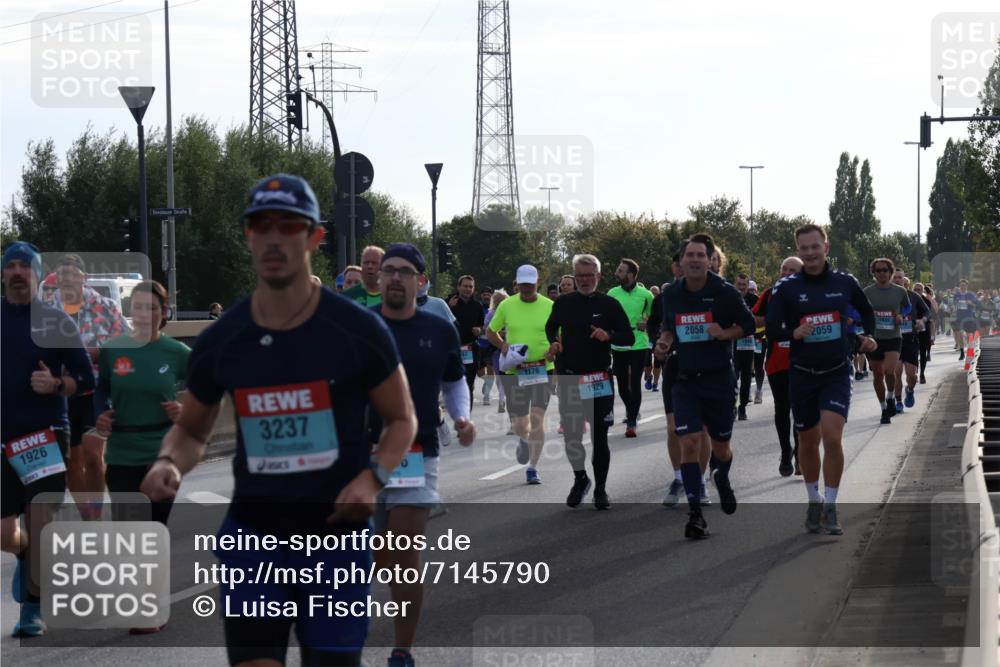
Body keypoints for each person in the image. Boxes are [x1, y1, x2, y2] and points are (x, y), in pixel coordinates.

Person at [140, 174, 417, 666]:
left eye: (288, 226)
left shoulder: (358, 330)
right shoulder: (225, 338)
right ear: (248, 236)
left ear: (314, 237)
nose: (273, 238)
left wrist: (373, 478)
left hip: (335, 540)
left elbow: (401, 419)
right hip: (255, 538)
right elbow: (192, 430)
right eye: (261, 225)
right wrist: (168, 462)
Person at [373, 244, 476, 667]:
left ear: (420, 281)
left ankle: (401, 650)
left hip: (417, 450)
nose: (396, 277)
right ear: (379, 278)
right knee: (370, 556)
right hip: (361, 452)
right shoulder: (359, 328)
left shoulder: (439, 329)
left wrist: (462, 417)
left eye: (405, 271)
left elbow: (454, 381)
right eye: (389, 270)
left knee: (404, 550)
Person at [2, 241, 94, 637]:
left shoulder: (57, 321)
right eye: (11, 266)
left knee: (40, 524)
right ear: (3, 274)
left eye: (25, 267)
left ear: (38, 275)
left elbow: (85, 380)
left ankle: (32, 611)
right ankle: (27, 556)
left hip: (45, 437)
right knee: (6, 533)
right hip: (2, 438)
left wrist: (56, 384)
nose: (17, 273)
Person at [766, 224, 877, 535]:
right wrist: (793, 332)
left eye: (815, 247)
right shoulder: (786, 288)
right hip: (802, 373)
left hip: (836, 371)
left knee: (831, 436)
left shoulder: (845, 282)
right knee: (808, 441)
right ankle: (813, 499)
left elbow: (867, 313)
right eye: (804, 248)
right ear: (798, 251)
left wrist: (866, 336)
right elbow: (771, 328)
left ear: (826, 248)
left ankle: (831, 504)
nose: (810, 253)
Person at [95, 280, 188, 634]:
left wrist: (184, 409)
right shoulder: (113, 350)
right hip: (121, 450)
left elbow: (207, 390)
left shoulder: (177, 352)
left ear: (163, 313)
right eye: (138, 307)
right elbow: (102, 389)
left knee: (153, 532)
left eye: (152, 307)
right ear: (129, 312)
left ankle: (150, 607)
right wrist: (101, 415)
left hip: (162, 451)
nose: (145, 314)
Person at [655, 233, 755, 539]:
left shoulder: (724, 292)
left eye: (701, 255)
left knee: (721, 447)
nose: (695, 260)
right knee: (689, 442)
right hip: (685, 379)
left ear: (710, 260)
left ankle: (721, 476)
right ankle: (695, 513)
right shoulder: (672, 293)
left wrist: (724, 333)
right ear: (682, 261)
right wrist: (663, 343)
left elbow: (749, 325)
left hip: (719, 379)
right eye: (690, 255)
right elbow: (669, 328)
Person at [545, 254, 632, 510]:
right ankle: (580, 478)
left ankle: (601, 490)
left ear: (598, 276)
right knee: (572, 437)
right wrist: (554, 342)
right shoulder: (563, 303)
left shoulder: (610, 304)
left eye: (589, 275)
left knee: (599, 437)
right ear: (574, 277)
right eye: (580, 275)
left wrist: (609, 335)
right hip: (570, 376)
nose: (584, 280)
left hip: (598, 377)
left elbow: (627, 336)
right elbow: (550, 327)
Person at [45, 253, 128, 518]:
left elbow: (126, 344)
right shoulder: (46, 311)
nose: (67, 279)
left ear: (84, 278)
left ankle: (95, 513)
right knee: (71, 464)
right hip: (62, 394)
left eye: (73, 274)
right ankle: (89, 515)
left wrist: (99, 353)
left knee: (93, 456)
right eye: (62, 275)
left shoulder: (106, 306)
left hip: (95, 391)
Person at [486, 265, 554, 484]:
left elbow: (561, 334)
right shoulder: (507, 305)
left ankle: (532, 468)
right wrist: (502, 345)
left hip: (543, 369)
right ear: (516, 284)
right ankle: (523, 440)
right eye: (523, 284)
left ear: (537, 283)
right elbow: (490, 331)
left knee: (537, 419)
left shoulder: (550, 305)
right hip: (515, 371)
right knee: (520, 424)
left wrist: (555, 348)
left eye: (530, 284)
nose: (526, 288)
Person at [654, 256, 713, 507]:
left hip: (707, 367)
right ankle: (679, 478)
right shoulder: (667, 297)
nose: (684, 268)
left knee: (702, 430)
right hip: (676, 366)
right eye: (680, 264)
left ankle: (699, 480)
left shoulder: (715, 293)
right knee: (673, 428)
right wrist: (661, 344)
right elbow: (658, 327)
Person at [751, 257, 804, 476]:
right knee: (782, 409)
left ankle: (800, 454)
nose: (786, 273)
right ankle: (785, 452)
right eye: (784, 269)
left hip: (803, 361)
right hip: (776, 361)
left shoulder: (809, 294)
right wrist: (769, 319)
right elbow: (755, 319)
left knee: (800, 409)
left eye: (792, 270)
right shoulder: (769, 294)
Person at [608, 259, 654, 437]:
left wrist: (648, 323)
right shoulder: (612, 293)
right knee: (622, 386)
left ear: (631, 275)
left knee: (635, 383)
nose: (617, 273)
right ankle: (632, 408)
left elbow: (654, 317)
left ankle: (632, 421)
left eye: (621, 271)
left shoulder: (646, 295)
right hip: (618, 342)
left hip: (638, 342)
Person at [863, 258, 910, 425]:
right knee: (877, 374)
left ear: (890, 272)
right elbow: (859, 309)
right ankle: (884, 408)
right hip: (874, 338)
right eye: (878, 270)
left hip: (893, 336)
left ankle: (891, 396)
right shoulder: (867, 292)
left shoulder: (900, 291)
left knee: (889, 370)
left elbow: (907, 307)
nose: (882, 273)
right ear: (874, 273)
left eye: (885, 270)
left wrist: (901, 315)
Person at [891, 271, 929, 411]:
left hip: (910, 339)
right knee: (897, 373)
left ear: (904, 280)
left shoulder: (913, 296)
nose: (897, 279)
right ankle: (898, 402)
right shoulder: (887, 296)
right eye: (894, 277)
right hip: (894, 339)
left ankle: (910, 390)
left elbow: (927, 311)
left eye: (899, 277)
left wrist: (922, 320)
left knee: (912, 376)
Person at [448, 275, 485, 412]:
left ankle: (466, 416)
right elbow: (440, 322)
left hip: (470, 349)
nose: (468, 289)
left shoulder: (477, 306)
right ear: (458, 287)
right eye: (465, 286)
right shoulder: (448, 303)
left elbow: (482, 326)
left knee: (468, 384)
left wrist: (479, 330)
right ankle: (455, 412)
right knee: (453, 384)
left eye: (470, 287)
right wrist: (449, 308)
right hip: (452, 349)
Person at [732, 274, 759, 421]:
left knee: (746, 377)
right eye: (739, 284)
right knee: (733, 376)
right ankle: (732, 406)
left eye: (744, 285)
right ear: (735, 284)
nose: (741, 287)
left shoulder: (754, 300)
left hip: (748, 343)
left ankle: (742, 407)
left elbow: (761, 318)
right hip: (733, 343)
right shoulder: (729, 297)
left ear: (748, 286)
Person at [952, 279, 979, 358]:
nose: (962, 286)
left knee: (968, 335)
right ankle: (962, 352)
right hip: (959, 317)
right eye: (961, 285)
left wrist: (971, 303)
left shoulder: (971, 294)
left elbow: (977, 305)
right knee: (959, 334)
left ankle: (970, 350)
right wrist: (953, 307)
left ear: (967, 286)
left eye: (964, 285)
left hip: (968, 317)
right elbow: (954, 304)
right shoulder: (956, 294)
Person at [917, 283, 937, 383]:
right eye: (915, 289)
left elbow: (930, 313)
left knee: (922, 352)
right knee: (914, 352)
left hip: (924, 328)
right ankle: (915, 370)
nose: (917, 291)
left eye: (919, 289)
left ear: (923, 291)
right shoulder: (909, 299)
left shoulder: (926, 300)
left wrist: (923, 320)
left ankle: (922, 373)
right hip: (912, 328)